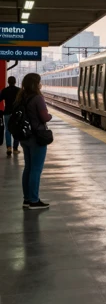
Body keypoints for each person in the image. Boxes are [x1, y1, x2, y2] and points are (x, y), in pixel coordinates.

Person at [16, 73, 51, 210]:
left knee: (28, 168)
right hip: (37, 137)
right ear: (35, 84)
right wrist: (49, 116)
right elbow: (44, 117)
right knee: (36, 169)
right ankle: (34, 201)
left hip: (24, 137)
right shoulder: (38, 98)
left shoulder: (21, 97)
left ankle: (27, 199)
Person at [0, 76, 20, 157]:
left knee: (7, 130)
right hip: (17, 113)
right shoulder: (19, 90)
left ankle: (8, 147)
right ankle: (15, 149)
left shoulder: (4, 90)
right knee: (16, 130)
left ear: (8, 82)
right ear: (15, 82)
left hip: (7, 112)